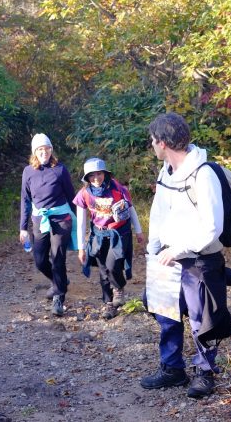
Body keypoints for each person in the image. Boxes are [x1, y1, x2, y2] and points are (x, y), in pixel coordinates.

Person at [140, 112, 231, 398]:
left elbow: (212, 227)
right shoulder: (165, 172)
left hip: (199, 262)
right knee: (166, 315)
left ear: (162, 142)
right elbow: (158, 214)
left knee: (202, 320)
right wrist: (153, 249)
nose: (152, 146)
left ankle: (205, 373)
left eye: (153, 141)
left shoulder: (203, 173)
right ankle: (172, 369)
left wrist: (178, 250)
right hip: (166, 259)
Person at [73, 158, 144, 319]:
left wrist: (138, 231)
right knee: (103, 271)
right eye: (91, 175)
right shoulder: (84, 194)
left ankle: (119, 288)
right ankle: (108, 304)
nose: (96, 178)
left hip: (118, 233)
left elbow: (130, 210)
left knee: (112, 266)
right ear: (86, 178)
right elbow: (81, 221)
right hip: (98, 235)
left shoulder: (118, 189)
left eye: (99, 174)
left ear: (105, 173)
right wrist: (81, 247)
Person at [19, 133, 76, 317]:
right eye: (40, 149)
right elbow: (25, 200)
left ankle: (59, 297)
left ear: (51, 150)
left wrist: (80, 223)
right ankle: (59, 282)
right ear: (35, 152)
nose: (45, 152)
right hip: (39, 220)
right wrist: (22, 227)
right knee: (40, 259)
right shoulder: (28, 172)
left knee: (58, 256)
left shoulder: (60, 170)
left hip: (61, 218)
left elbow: (71, 196)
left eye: (47, 148)